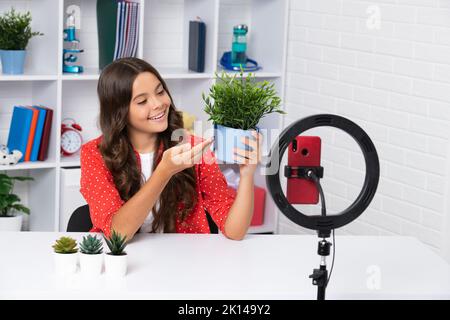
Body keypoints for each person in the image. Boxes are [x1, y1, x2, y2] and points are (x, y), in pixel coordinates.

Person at [80, 57, 262, 241]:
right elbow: (117, 234)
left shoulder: (194, 149)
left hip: (183, 261)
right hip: (123, 261)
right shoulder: (94, 154)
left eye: (160, 92)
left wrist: (247, 174)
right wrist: (164, 172)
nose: (158, 104)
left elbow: (235, 231)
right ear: (119, 112)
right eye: (142, 101)